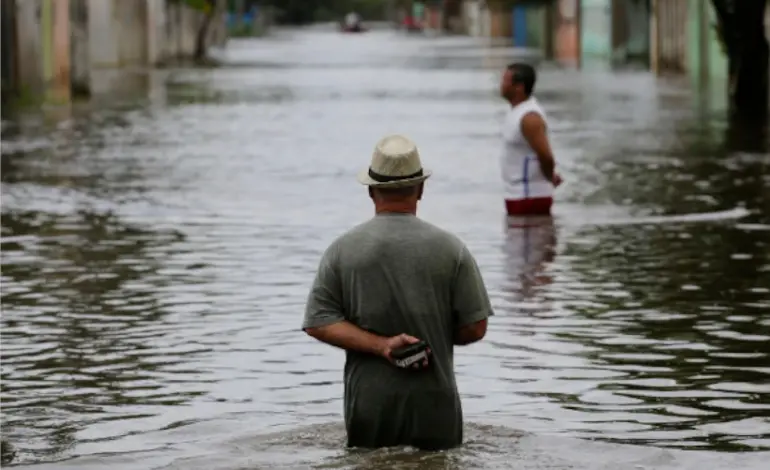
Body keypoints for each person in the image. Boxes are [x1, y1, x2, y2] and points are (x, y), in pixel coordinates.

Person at [302, 134, 494, 450]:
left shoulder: (342, 250)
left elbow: (318, 322)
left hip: (369, 409)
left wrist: (382, 346)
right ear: (420, 189)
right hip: (436, 408)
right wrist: (431, 336)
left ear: (370, 190)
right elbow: (475, 327)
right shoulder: (452, 250)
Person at [499, 62, 562, 216]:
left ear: (519, 87)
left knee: (534, 239)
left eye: (505, 81)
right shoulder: (516, 112)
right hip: (518, 194)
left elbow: (546, 155)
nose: (501, 85)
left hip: (530, 196)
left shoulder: (530, 118)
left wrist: (549, 176)